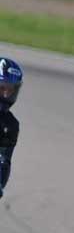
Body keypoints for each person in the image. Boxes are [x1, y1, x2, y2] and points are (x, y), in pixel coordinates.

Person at [0, 57, 23, 199]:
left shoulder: (10, 125)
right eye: (2, 88)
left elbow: (4, 159)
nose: (6, 94)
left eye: (11, 90)